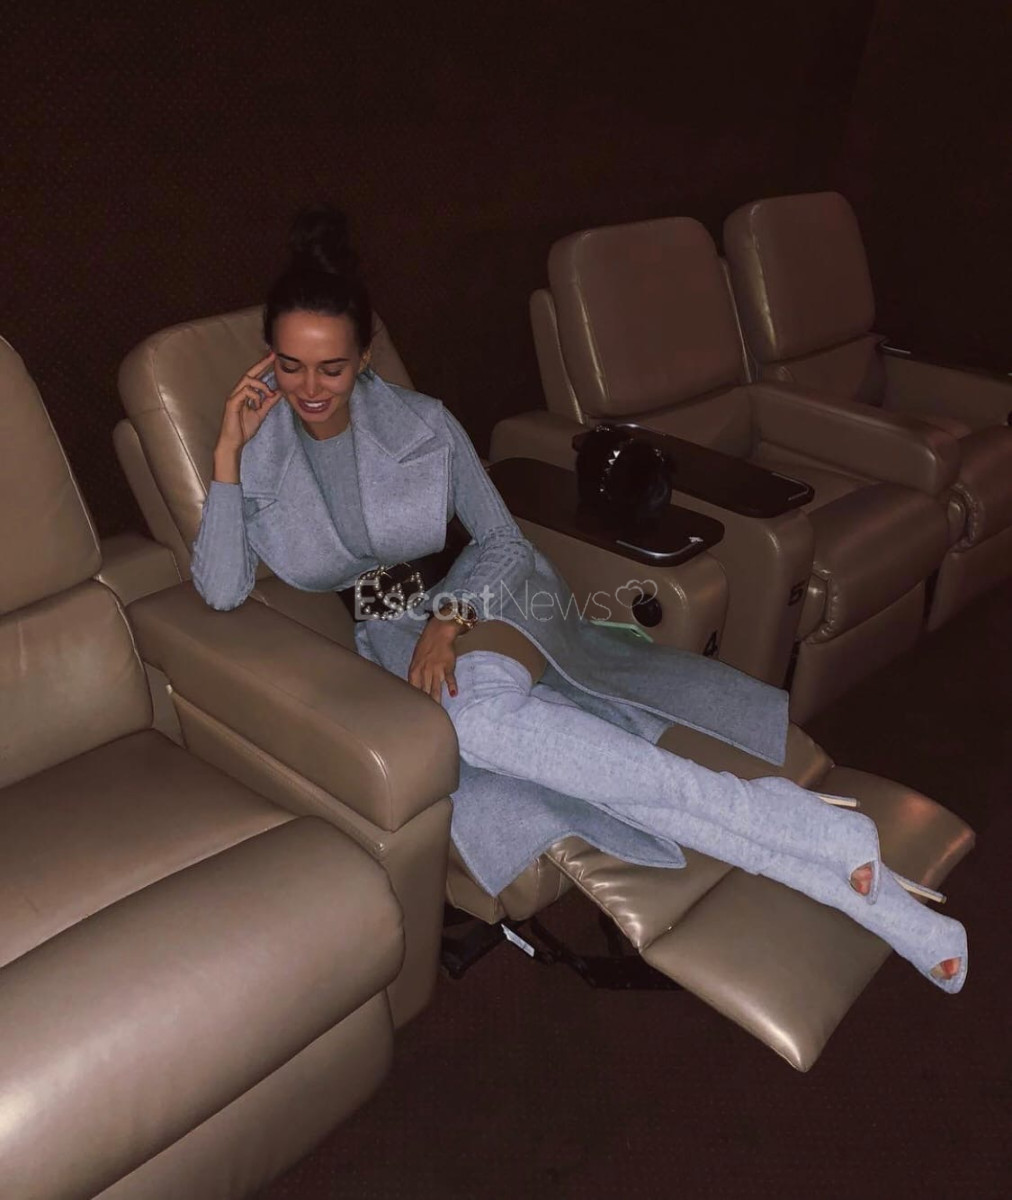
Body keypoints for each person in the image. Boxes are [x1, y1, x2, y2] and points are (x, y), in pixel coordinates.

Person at [192, 206, 966, 992]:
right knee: (557, 760)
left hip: (486, 596)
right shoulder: (257, 458)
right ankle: (863, 887)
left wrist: (448, 623)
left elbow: (500, 538)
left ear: (363, 359)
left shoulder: (424, 424)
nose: (310, 389)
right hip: (389, 637)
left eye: (331, 367)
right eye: (290, 365)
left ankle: (784, 820)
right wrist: (225, 452)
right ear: (267, 360)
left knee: (475, 722)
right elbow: (220, 589)